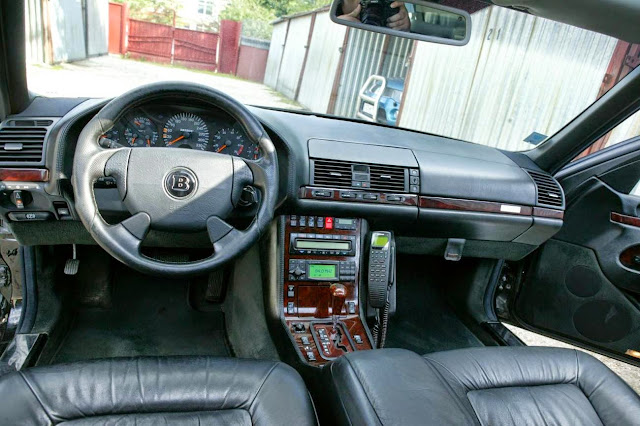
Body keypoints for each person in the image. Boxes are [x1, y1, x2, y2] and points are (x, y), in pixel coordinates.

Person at [338, 0, 411, 32]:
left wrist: (404, 28)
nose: (370, 8)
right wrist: (340, 29)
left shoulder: (394, 19)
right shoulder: (334, 23)